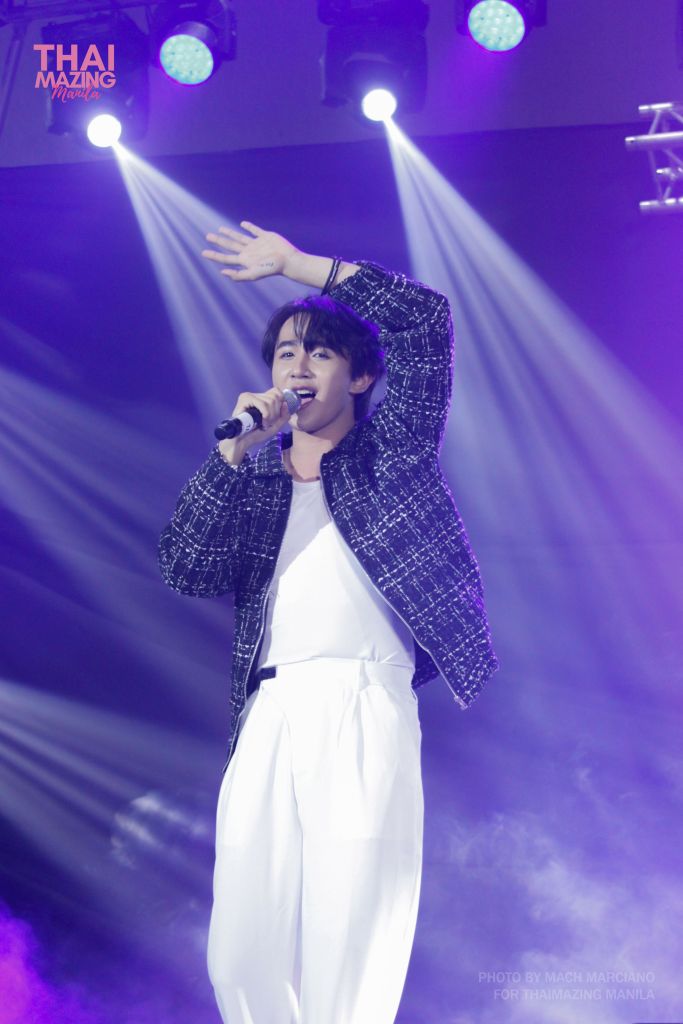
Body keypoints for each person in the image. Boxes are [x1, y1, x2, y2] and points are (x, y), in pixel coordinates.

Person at [158, 221, 499, 1024]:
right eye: (285, 354)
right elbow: (185, 567)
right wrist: (229, 456)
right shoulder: (255, 481)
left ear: (361, 374)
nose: (298, 367)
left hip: (361, 696)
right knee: (240, 947)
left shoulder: (392, 452)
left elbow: (426, 320)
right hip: (268, 708)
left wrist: (296, 266)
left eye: (318, 353)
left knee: (349, 928)